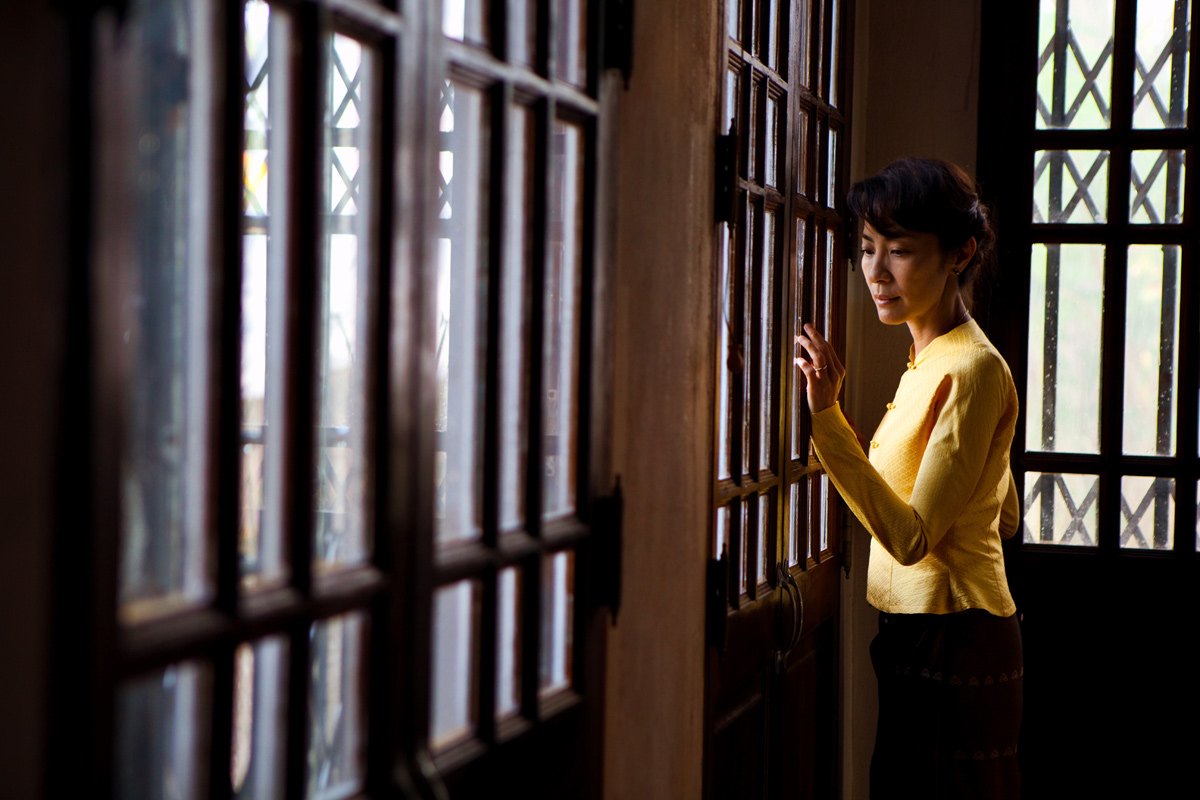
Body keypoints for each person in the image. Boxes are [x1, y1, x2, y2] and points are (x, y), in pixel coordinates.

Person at [796, 157, 1022, 799]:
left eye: (898, 250)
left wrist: (827, 420)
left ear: (960, 253)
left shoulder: (971, 369)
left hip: (955, 636)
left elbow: (912, 539)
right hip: (920, 632)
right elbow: (1002, 513)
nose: (875, 271)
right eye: (868, 248)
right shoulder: (930, 360)